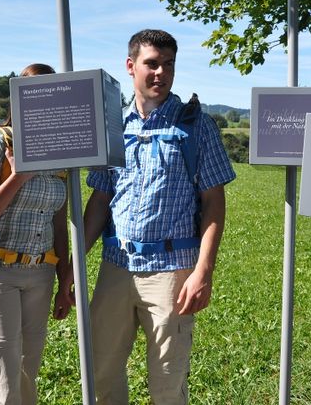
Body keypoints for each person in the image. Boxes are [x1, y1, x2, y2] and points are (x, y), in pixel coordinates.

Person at [83, 29, 236, 404]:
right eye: (152, 63)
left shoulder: (196, 126)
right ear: (131, 66)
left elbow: (214, 202)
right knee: (101, 373)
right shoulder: (114, 127)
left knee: (167, 385)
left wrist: (203, 272)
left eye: (168, 64)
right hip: (116, 266)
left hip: (172, 272)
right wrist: (74, 261)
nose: (160, 73)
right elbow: (101, 198)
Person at [0, 62, 74, 405]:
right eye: (34, 94)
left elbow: (58, 222)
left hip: (40, 275)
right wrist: (19, 176)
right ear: (20, 99)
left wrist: (64, 281)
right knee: (4, 379)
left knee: (26, 374)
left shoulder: (61, 152)